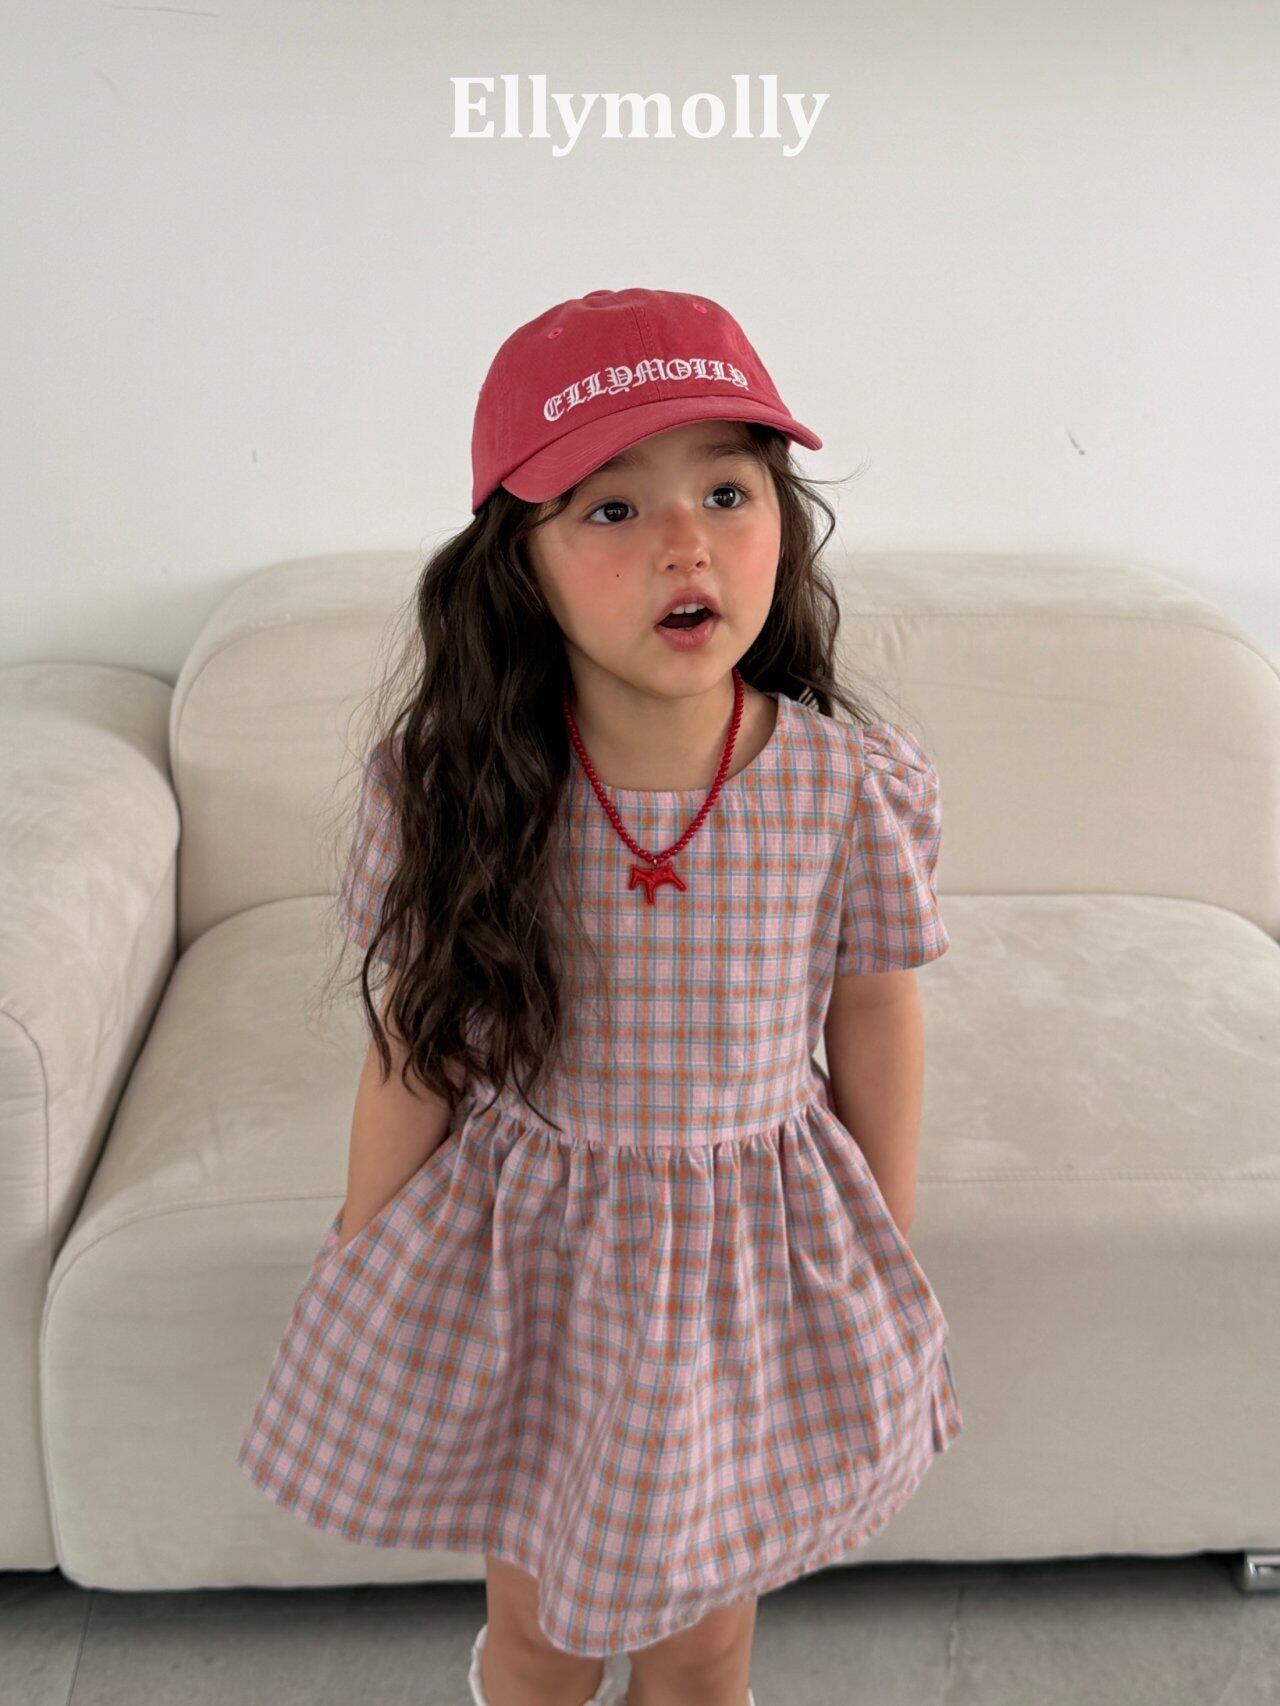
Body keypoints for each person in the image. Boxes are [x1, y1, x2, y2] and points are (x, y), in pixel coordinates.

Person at [236, 287, 963, 1706]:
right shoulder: (462, 789)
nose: (687, 542)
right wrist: (363, 1243)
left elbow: (874, 1011)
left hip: (747, 1271)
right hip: (537, 1268)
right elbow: (419, 1040)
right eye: (613, 509)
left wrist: (886, 1233)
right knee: (543, 1635)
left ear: (783, 519)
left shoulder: (845, 786)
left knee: (704, 1650)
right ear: (520, 566)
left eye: (726, 491)